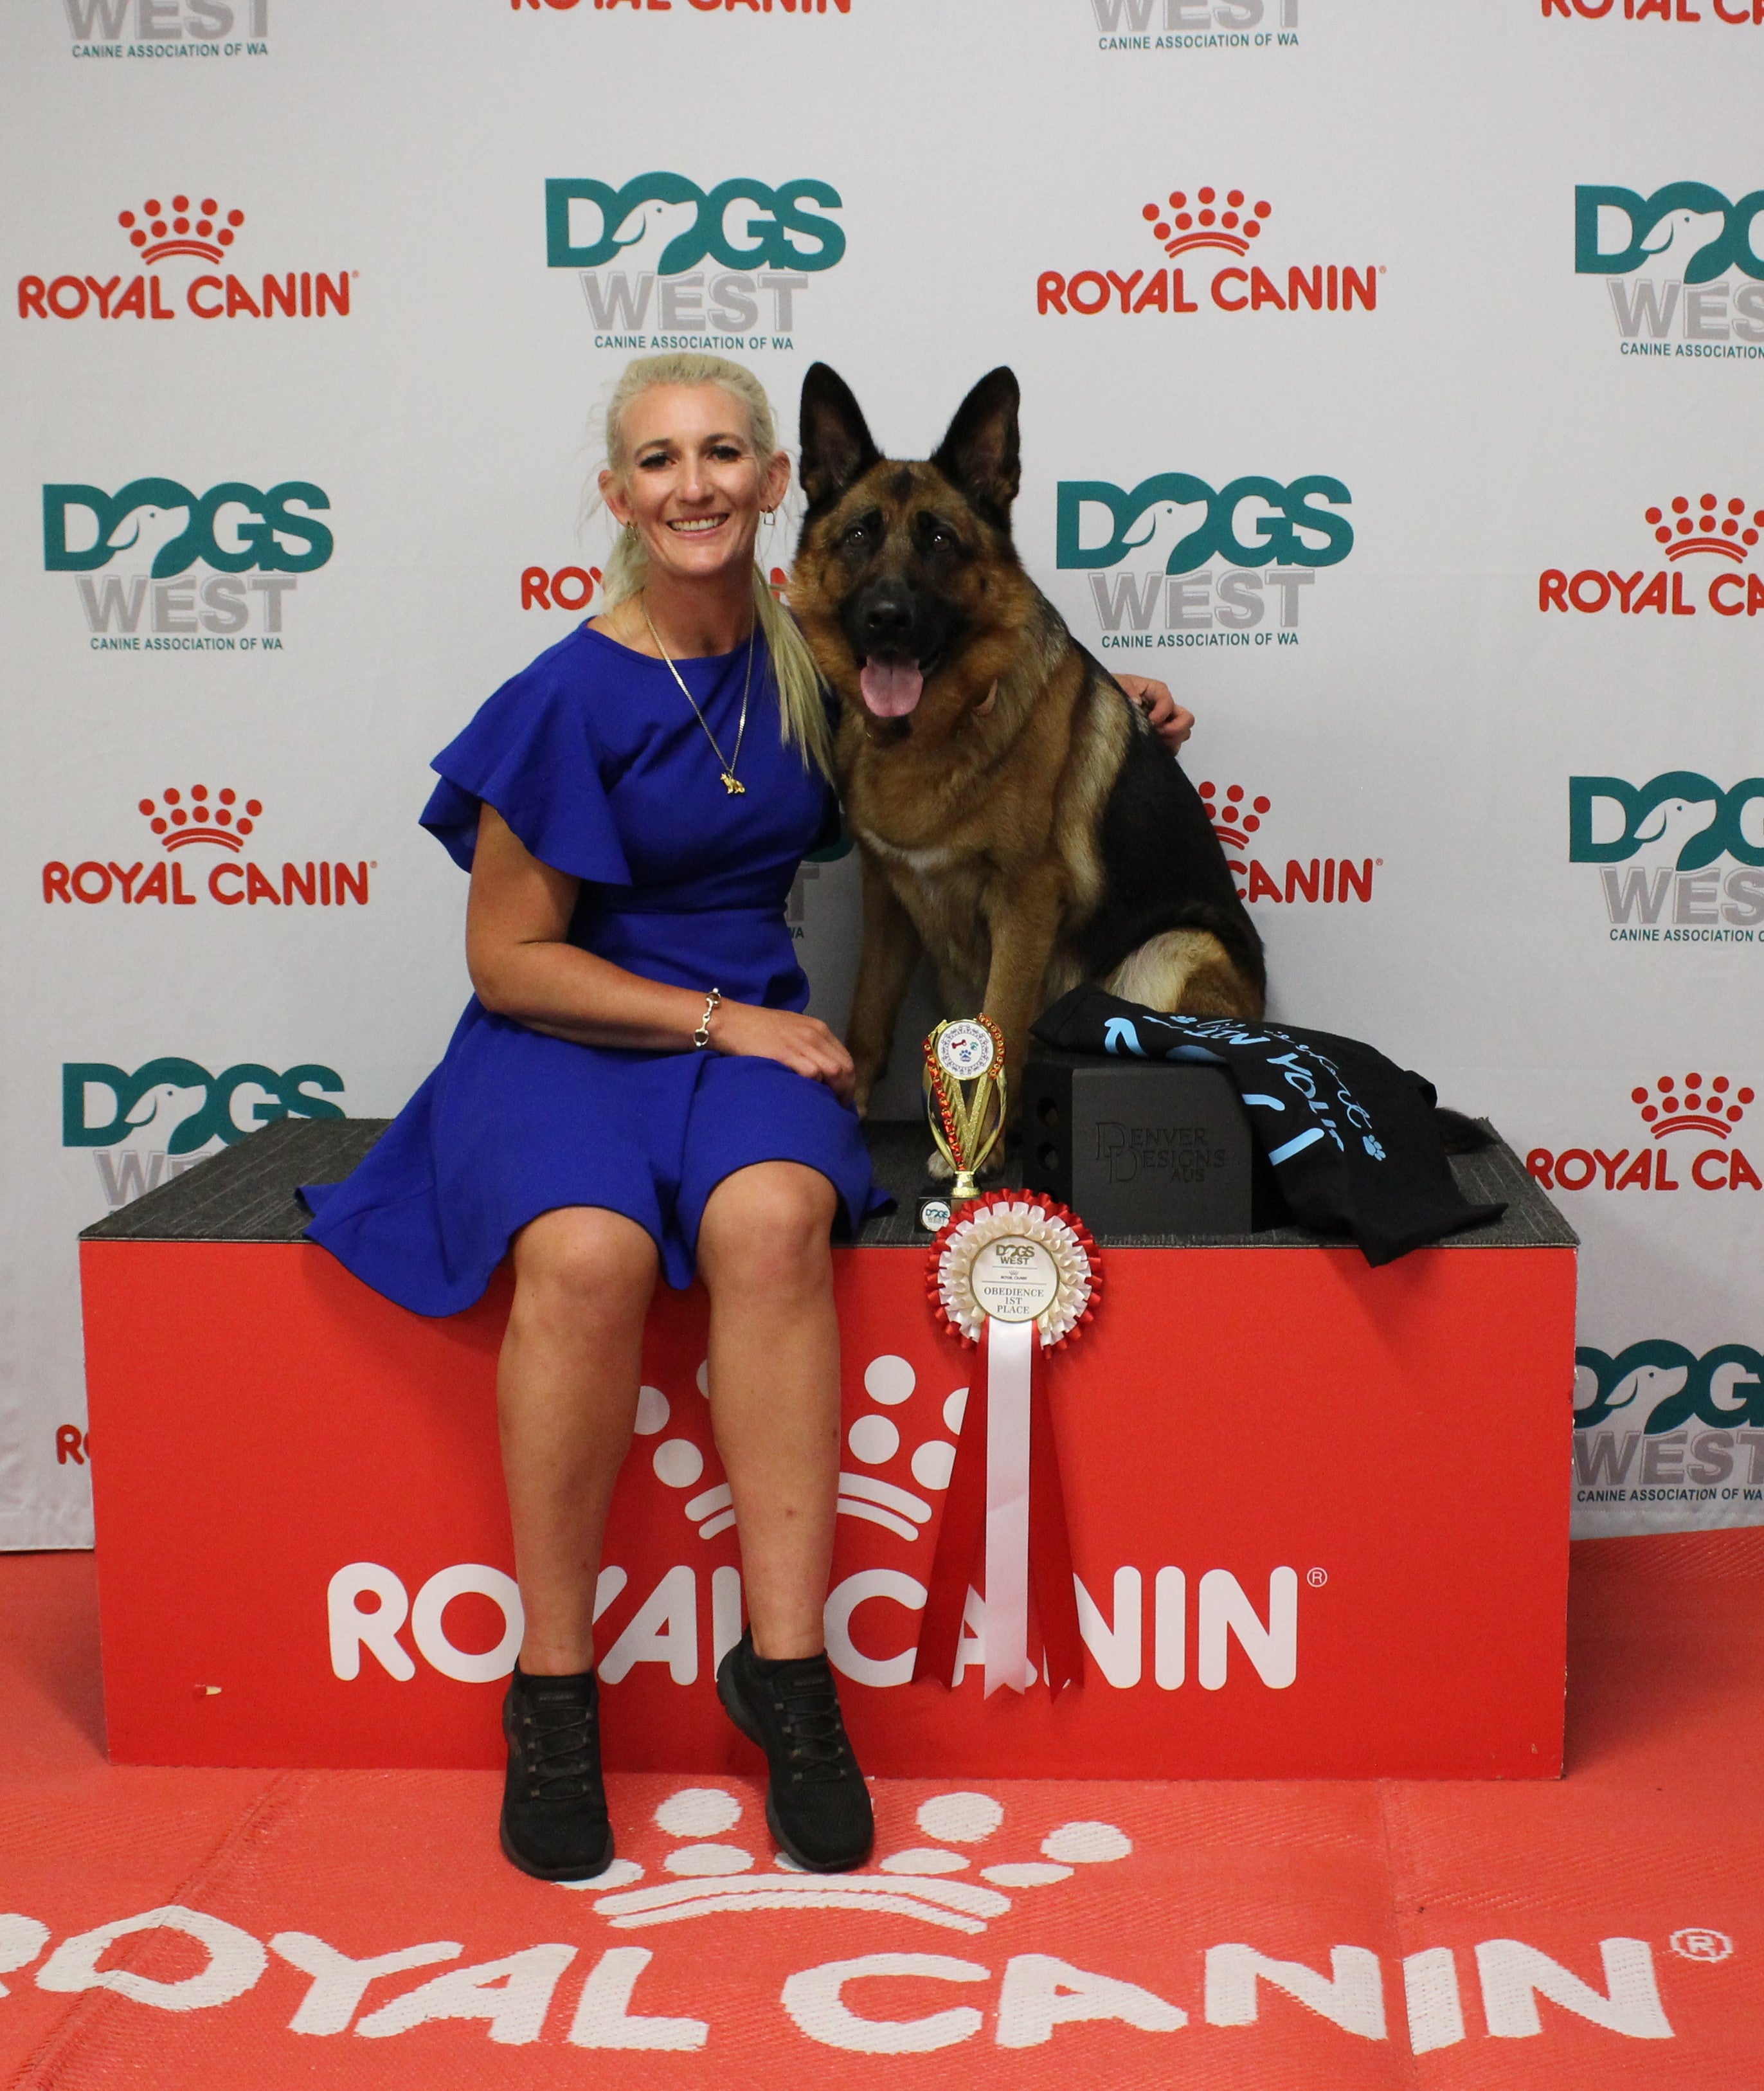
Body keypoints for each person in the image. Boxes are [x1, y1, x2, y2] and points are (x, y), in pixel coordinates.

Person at [302, 352, 1192, 1884]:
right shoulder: (563, 696)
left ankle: (791, 1683)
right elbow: (509, 961)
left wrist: (1114, 708)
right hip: (573, 1034)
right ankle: (554, 1694)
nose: (694, 483)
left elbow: (980, 698)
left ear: (780, 490)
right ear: (618, 497)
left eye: (724, 453)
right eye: (658, 460)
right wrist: (724, 1022)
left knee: (775, 1225)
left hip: (747, 1041)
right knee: (582, 1257)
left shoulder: (820, 654)